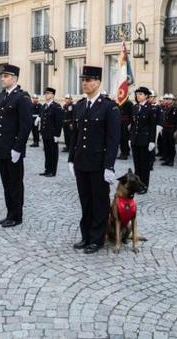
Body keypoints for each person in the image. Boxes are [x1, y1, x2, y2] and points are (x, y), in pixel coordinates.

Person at [68, 65, 121, 254]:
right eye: (83, 80)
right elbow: (76, 135)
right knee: (85, 201)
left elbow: (113, 139)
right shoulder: (80, 105)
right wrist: (71, 159)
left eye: (89, 80)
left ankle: (97, 239)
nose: (85, 83)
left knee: (99, 202)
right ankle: (86, 236)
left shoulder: (109, 107)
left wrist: (109, 166)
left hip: (99, 164)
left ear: (98, 82)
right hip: (82, 162)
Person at [0, 64, 33, 228]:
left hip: (13, 148)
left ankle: (17, 216)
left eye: (6, 76)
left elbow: (25, 125)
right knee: (6, 183)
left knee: (15, 183)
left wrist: (18, 148)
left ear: (15, 78)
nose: (3, 78)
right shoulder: (2, 96)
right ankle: (9, 212)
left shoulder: (22, 97)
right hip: (2, 147)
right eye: (2, 76)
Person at [130, 87, 156, 192]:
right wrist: (130, 138)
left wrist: (152, 141)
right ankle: (137, 185)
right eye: (137, 94)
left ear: (146, 96)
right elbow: (133, 124)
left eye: (140, 94)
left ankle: (144, 186)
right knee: (137, 165)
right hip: (135, 140)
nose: (138, 96)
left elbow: (152, 126)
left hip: (145, 140)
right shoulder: (135, 107)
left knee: (144, 166)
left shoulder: (150, 108)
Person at [39, 87, 63, 177]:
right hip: (46, 134)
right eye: (45, 93)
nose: (46, 95)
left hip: (53, 135)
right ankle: (47, 169)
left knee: (53, 153)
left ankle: (53, 171)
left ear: (52, 95)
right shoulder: (44, 106)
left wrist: (57, 135)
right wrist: (41, 131)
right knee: (47, 152)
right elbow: (43, 120)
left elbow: (59, 122)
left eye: (48, 93)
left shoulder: (56, 107)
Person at [159, 94, 177, 166]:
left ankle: (171, 160)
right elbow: (163, 119)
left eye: (169, 99)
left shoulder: (176, 109)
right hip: (165, 128)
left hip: (172, 129)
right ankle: (167, 159)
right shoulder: (165, 108)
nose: (167, 100)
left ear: (173, 101)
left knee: (171, 145)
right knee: (165, 144)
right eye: (166, 99)